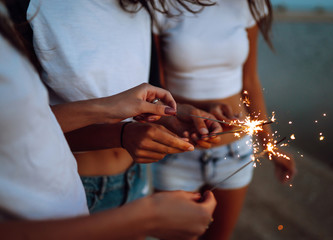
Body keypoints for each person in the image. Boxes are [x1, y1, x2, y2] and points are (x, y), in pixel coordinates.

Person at [0, 3, 217, 238]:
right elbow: (29, 131)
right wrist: (120, 134)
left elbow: (28, 120)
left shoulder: (141, 6)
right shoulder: (25, 9)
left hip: (138, 178)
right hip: (82, 189)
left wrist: (172, 115)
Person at [152, 0, 297, 239]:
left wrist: (270, 146)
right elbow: (157, 88)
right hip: (176, 151)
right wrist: (199, 110)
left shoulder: (249, 4)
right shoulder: (161, 5)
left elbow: (250, 81)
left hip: (235, 153)